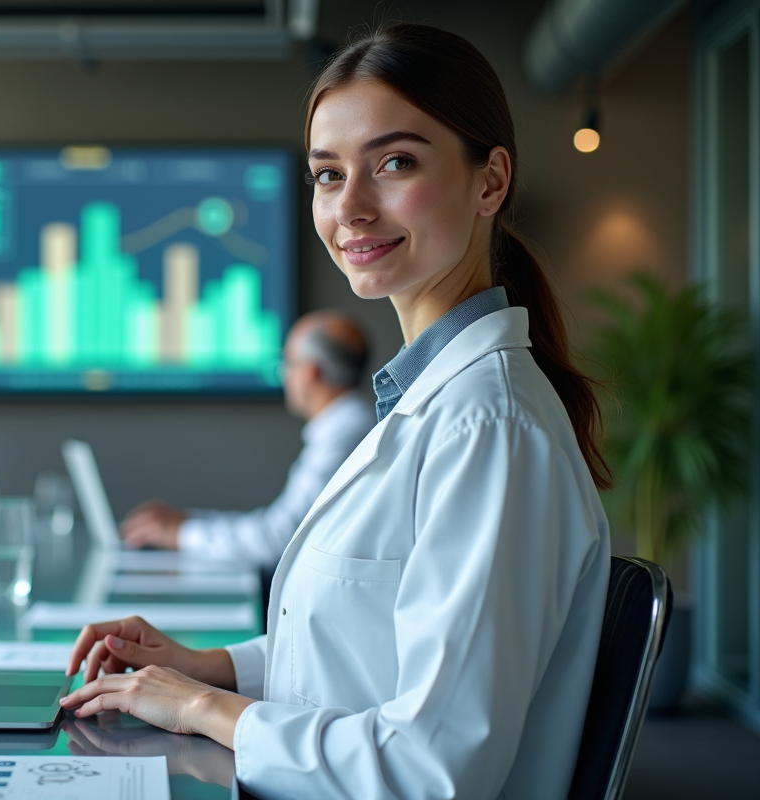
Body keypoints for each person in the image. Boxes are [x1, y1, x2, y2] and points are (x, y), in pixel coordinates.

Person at [61, 22, 613, 800]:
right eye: (328, 174)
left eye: (394, 163)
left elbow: (433, 768)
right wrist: (205, 666)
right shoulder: (429, 402)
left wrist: (200, 707)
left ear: (490, 182)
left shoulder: (488, 427)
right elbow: (361, 654)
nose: (350, 207)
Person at [119, 311, 374, 567]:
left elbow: (281, 538)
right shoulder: (346, 425)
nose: (285, 376)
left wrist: (181, 534)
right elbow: (279, 525)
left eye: (288, 364)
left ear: (310, 373)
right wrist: (187, 523)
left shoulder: (345, 435)